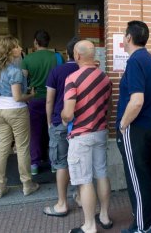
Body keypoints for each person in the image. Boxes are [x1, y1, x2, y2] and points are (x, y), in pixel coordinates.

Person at [61, 40, 113, 233]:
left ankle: (89, 226)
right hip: (100, 132)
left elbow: (68, 112)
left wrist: (65, 120)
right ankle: (105, 216)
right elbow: (109, 109)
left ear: (77, 55)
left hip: (81, 136)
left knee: (84, 180)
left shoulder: (72, 79)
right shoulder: (105, 78)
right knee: (101, 174)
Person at [117, 21, 151, 233]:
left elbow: (136, 101)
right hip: (147, 126)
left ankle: (142, 225)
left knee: (136, 176)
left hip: (135, 127)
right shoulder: (150, 60)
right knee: (147, 173)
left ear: (128, 38)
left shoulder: (135, 61)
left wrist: (123, 123)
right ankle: (150, 217)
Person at [0, 35, 39, 199]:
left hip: (0, 111)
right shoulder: (15, 71)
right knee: (22, 147)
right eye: (16, 46)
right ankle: (27, 184)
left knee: (3, 147)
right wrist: (31, 95)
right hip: (16, 110)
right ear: (9, 51)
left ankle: (0, 186)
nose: (20, 49)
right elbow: (18, 97)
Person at [42, 37, 79, 217]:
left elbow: (49, 99)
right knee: (80, 160)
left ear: (67, 52)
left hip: (60, 121)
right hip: (81, 124)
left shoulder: (57, 71)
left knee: (61, 162)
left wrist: (49, 121)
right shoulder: (88, 71)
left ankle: (62, 203)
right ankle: (80, 196)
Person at [22, 29, 58, 175]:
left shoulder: (27, 59)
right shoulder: (56, 57)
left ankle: (35, 164)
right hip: (54, 99)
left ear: (35, 42)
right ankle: (54, 163)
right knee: (52, 131)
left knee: (35, 132)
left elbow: (24, 81)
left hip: (35, 100)